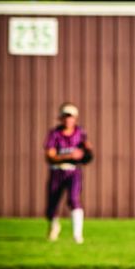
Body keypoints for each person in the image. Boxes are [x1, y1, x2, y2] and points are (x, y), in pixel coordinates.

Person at [44, 102, 92, 244]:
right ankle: (54, 226)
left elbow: (88, 152)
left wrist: (85, 154)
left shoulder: (80, 133)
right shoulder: (55, 134)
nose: (68, 120)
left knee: (74, 199)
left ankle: (77, 235)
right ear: (61, 118)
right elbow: (50, 155)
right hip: (57, 171)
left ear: (75, 118)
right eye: (65, 116)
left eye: (70, 117)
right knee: (52, 205)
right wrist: (68, 156)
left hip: (73, 172)